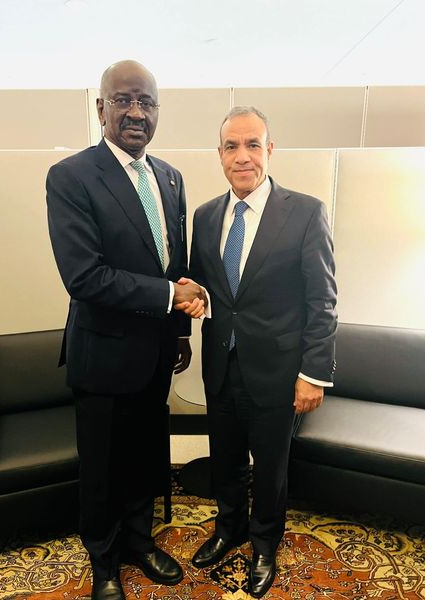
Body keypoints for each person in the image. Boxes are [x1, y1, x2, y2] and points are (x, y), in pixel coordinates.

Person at [46, 60, 206, 600]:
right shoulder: (71, 176)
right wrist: (168, 296)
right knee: (102, 468)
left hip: (156, 354)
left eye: (147, 102)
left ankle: (139, 541)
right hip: (103, 356)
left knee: (144, 456)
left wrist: (179, 330)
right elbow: (84, 276)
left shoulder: (170, 177)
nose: (136, 112)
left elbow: (172, 263)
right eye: (124, 100)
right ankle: (104, 561)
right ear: (101, 108)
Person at [178, 106, 337, 598]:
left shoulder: (305, 211)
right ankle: (229, 528)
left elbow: (322, 299)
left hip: (277, 370)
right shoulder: (206, 216)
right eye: (231, 146)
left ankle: (265, 542)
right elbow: (208, 286)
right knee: (225, 458)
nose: (242, 156)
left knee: (270, 467)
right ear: (220, 154)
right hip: (220, 365)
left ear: (270, 150)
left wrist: (313, 373)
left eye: (252, 145)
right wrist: (193, 296)